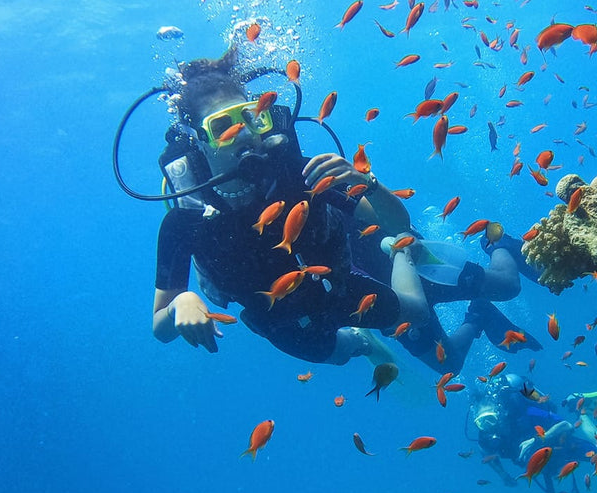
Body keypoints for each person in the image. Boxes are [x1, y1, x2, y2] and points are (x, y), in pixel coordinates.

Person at [149, 48, 535, 372]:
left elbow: (396, 221)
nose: (245, 134)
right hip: (289, 315)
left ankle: (498, 245)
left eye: (252, 117)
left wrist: (367, 184)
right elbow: (160, 326)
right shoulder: (185, 221)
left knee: (507, 287)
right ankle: (467, 319)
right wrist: (181, 302)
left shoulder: (295, 173)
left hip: (363, 259)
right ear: (198, 140)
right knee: (445, 364)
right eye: (222, 126)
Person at [468, 374, 597, 491]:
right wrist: (504, 475)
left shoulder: (526, 413)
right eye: (481, 422)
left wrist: (537, 439)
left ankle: (580, 410)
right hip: (542, 464)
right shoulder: (485, 437)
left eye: (490, 419)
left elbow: (567, 425)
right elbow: (486, 454)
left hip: (562, 444)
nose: (488, 426)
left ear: (500, 413)